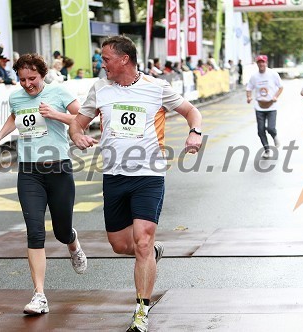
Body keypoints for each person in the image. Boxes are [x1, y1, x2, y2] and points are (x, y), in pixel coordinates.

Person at [68, 35, 202, 332]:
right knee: (119, 245)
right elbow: (77, 123)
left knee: (142, 240)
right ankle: (152, 253)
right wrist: (77, 136)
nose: (101, 64)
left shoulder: (157, 87)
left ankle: (141, 310)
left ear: (124, 59)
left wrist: (195, 132)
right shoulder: (100, 89)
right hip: (114, 176)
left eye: (105, 59)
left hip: (149, 174)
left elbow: (192, 111)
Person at [0, 53, 87, 315]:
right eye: (22, 80)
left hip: (58, 167)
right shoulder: (17, 96)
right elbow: (15, 116)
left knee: (62, 230)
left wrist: (55, 114)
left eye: (32, 79)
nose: (28, 84)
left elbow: (83, 119)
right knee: (34, 232)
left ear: (42, 75)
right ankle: (39, 295)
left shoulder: (59, 92)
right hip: (29, 171)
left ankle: (72, 243)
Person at [246, 54, 283, 159]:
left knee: (271, 128)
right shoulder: (254, 76)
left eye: (263, 62)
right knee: (260, 130)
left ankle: (274, 136)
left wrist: (276, 96)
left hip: (271, 105)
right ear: (257, 64)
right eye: (259, 62)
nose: (261, 64)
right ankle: (267, 150)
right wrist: (248, 97)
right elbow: (249, 88)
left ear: (266, 63)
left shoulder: (273, 74)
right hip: (259, 106)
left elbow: (280, 87)